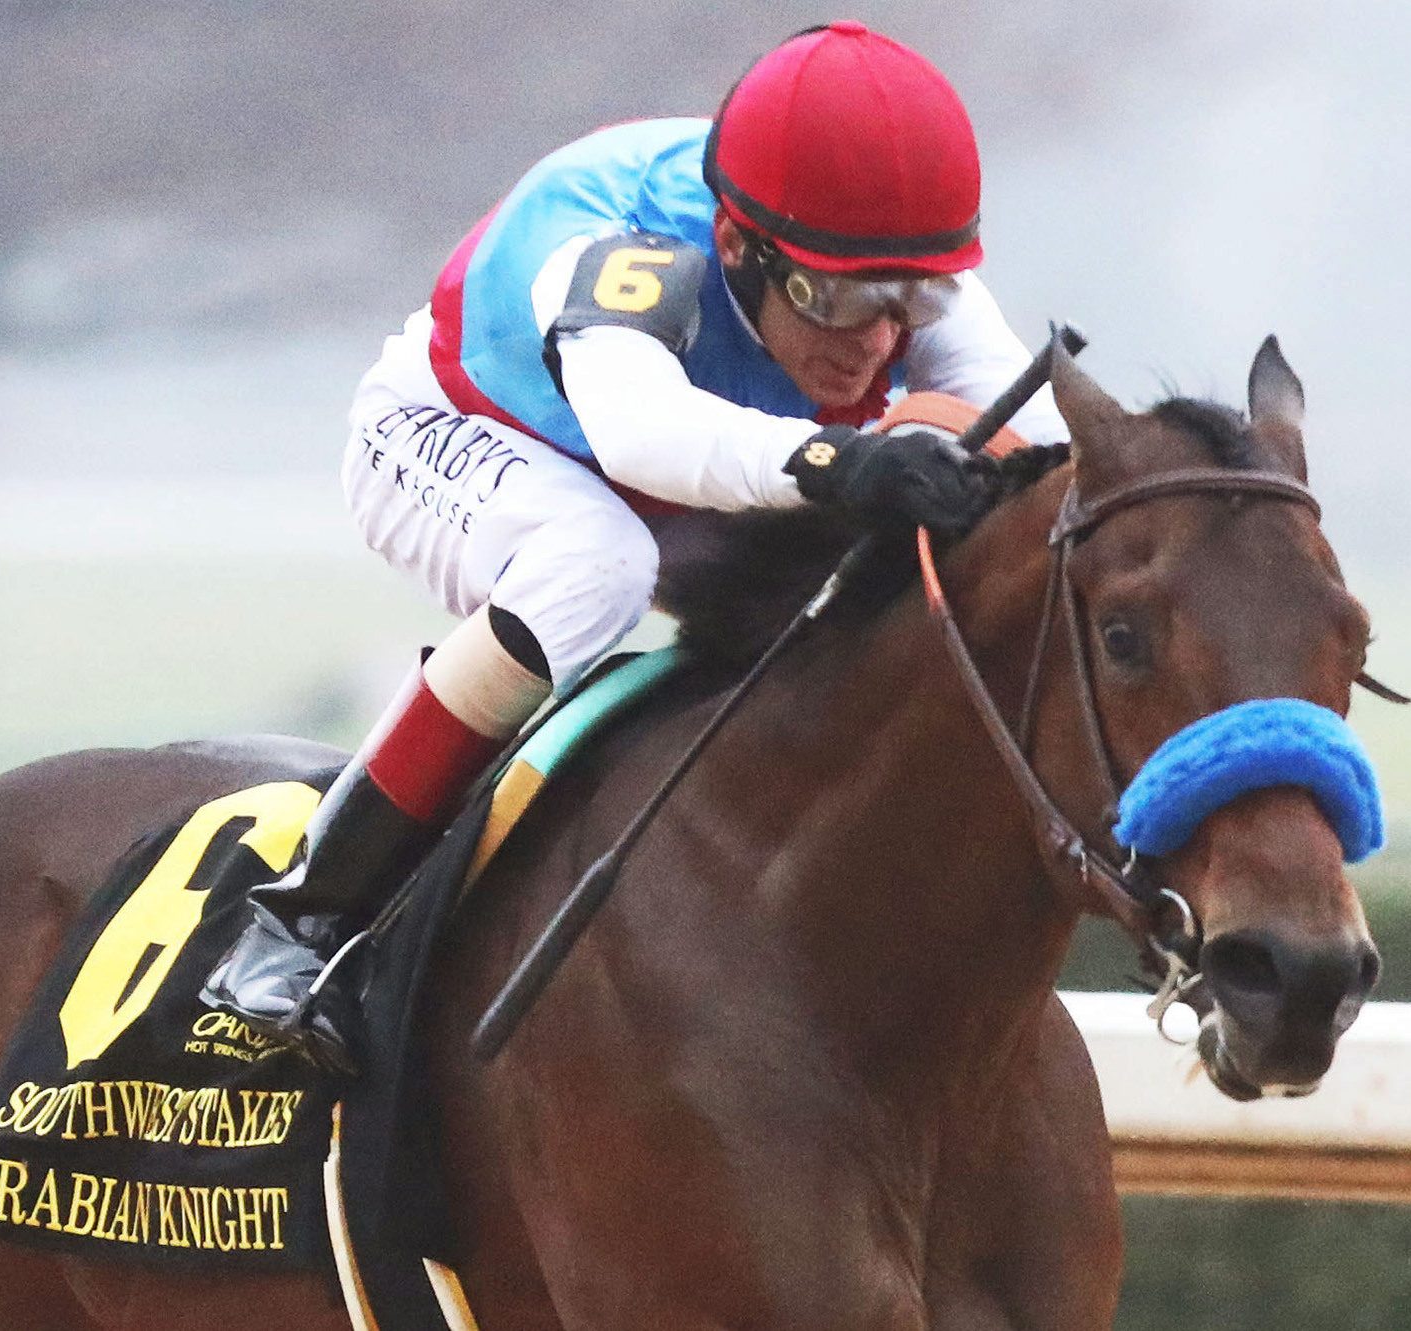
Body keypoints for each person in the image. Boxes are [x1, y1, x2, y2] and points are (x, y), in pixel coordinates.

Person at [200, 21, 1069, 1075]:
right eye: (835, 301)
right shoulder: (625, 247)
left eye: (909, 301)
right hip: (462, 437)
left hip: (689, 479)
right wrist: (842, 464)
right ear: (740, 247)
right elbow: (643, 436)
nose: (877, 340)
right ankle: (305, 918)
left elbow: (1055, 466)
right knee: (595, 566)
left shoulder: (875, 259)